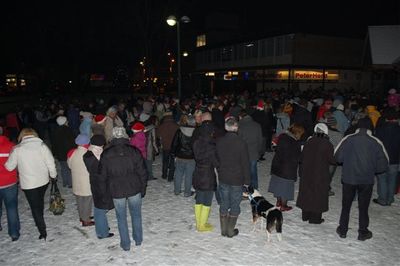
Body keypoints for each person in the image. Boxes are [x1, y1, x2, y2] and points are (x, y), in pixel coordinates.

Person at [334, 118, 389, 241]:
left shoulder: (348, 139)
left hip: (349, 178)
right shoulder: (376, 141)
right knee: (364, 207)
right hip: (366, 180)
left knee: (346, 205)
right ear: (371, 128)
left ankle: (343, 229)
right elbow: (384, 164)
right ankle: (363, 232)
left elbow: (337, 157)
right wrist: (372, 169)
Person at [99, 127, 148, 251]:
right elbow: (142, 172)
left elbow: (102, 176)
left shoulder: (106, 154)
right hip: (134, 187)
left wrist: (105, 192)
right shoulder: (134, 151)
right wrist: (142, 188)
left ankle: (125, 244)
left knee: (121, 218)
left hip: (117, 190)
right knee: (136, 215)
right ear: (125, 135)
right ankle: (138, 239)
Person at [5, 128, 57, 240]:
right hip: (43, 181)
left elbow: (9, 167)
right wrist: (53, 175)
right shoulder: (42, 146)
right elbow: (50, 162)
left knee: (34, 206)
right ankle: (40, 220)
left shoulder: (17, 149)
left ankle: (42, 230)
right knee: (39, 201)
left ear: (21, 136)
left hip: (28, 184)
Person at [216, 117, 250, 237]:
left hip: (224, 177)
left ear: (226, 127)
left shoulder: (219, 141)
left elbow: (216, 159)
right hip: (237, 178)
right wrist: (247, 180)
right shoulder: (241, 142)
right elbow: (245, 163)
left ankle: (224, 230)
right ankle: (230, 230)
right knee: (235, 204)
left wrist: (219, 169)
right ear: (236, 127)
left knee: (224, 202)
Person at [296, 123, 336, 224]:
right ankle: (315, 218)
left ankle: (305, 215)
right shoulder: (327, 144)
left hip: (307, 172)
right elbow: (332, 160)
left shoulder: (308, 142)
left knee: (307, 193)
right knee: (318, 195)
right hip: (320, 174)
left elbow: (301, 157)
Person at [83, 135, 114, 239]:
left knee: (99, 207)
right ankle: (102, 233)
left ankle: (102, 228)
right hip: (100, 184)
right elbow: (99, 171)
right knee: (100, 208)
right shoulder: (92, 156)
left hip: (98, 183)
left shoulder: (90, 153)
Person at [268, 124, 304, 211]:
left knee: (278, 185)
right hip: (287, 169)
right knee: (286, 188)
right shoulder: (294, 143)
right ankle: (283, 206)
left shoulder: (283, 137)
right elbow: (298, 158)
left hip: (278, 165)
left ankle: (278, 202)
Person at [192, 117, 219, 232]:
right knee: (207, 199)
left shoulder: (196, 143)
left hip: (198, 172)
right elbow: (216, 162)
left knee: (199, 198)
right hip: (208, 174)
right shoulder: (212, 146)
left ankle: (199, 223)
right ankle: (202, 225)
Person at [374, 108, 400, 206]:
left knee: (382, 179)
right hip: (395, 159)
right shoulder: (398, 130)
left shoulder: (381, 129)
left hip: (382, 158)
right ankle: (389, 199)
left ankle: (382, 199)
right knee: (392, 179)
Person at [68, 134, 94, 226]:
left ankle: (82, 216)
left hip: (76, 180)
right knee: (87, 200)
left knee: (79, 200)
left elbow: (70, 166)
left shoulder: (72, 152)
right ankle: (86, 220)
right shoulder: (89, 153)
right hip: (86, 181)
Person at [0, 127, 20, 241]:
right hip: (9, 182)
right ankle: (14, 233)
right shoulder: (11, 146)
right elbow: (16, 162)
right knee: (11, 208)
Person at [171, 115, 196, 197]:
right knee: (189, 175)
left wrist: (173, 153)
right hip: (191, 157)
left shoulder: (180, 130)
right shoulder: (196, 132)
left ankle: (177, 191)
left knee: (178, 173)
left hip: (180, 156)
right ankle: (187, 192)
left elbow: (174, 143)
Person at [238, 109, 263, 189]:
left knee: (244, 172)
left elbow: (239, 141)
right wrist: (259, 151)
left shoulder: (240, 126)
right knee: (253, 172)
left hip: (243, 153)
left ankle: (245, 189)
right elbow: (260, 140)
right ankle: (254, 189)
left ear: (240, 117)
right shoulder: (257, 125)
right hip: (254, 152)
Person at [50, 116, 75, 188]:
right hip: (68, 152)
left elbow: (53, 143)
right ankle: (70, 183)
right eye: (66, 121)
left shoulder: (55, 131)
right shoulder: (68, 130)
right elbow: (72, 142)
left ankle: (65, 182)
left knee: (63, 167)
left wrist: (54, 153)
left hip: (60, 153)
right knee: (69, 168)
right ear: (64, 122)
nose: (68, 122)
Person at [156, 111, 179, 181]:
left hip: (165, 146)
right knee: (172, 162)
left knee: (165, 161)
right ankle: (170, 177)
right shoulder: (176, 125)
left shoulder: (161, 125)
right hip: (174, 147)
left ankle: (164, 175)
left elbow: (157, 135)